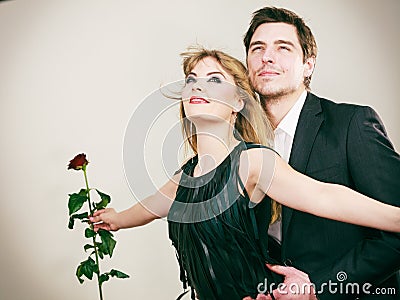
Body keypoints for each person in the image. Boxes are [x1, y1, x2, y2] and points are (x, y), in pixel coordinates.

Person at [90, 48, 400, 300]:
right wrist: (115, 218)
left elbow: (324, 195)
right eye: (191, 79)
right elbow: (148, 208)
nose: (197, 85)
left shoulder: (252, 162)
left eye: (214, 79)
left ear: (239, 101)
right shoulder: (184, 177)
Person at [242, 6, 400, 300]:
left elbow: (397, 232)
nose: (267, 56)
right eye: (257, 48)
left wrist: (323, 287)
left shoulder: (353, 124)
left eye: (283, 47)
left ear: (308, 65)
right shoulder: (240, 142)